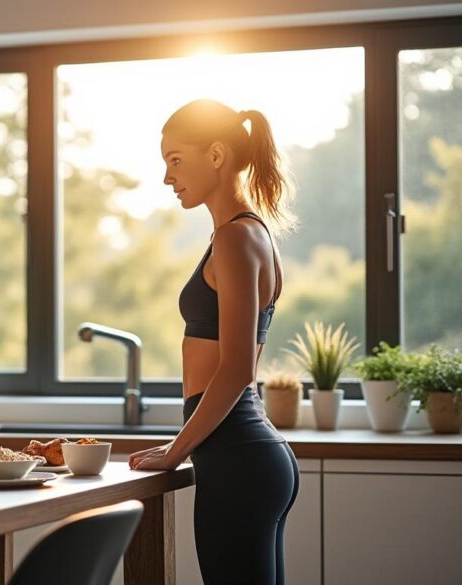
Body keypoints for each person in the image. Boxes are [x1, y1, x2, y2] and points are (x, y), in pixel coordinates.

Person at [128, 99, 301, 585]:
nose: (167, 176)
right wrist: (183, 443)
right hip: (249, 454)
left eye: (176, 160)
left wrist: (176, 451)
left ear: (218, 155)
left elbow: (237, 368)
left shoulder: (233, 238)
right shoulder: (250, 234)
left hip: (238, 459)